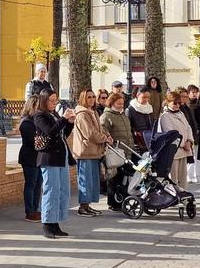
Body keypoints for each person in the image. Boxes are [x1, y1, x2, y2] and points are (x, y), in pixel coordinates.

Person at [34, 92, 75, 238]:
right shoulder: (39, 116)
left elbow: (62, 134)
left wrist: (69, 123)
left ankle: (55, 221)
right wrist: (63, 119)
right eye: (51, 100)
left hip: (61, 156)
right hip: (49, 157)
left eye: (55, 100)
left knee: (62, 190)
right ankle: (47, 223)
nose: (54, 103)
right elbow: (50, 132)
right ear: (44, 101)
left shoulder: (54, 114)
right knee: (51, 190)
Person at [70, 89, 112, 217]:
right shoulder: (82, 114)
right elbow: (90, 133)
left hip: (94, 152)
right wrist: (104, 139)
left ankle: (87, 205)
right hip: (85, 152)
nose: (92, 99)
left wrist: (107, 135)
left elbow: (99, 129)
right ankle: (82, 207)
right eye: (89, 97)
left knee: (92, 180)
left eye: (93, 96)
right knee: (85, 180)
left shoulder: (93, 112)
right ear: (83, 98)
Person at [100, 92, 133, 210]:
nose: (121, 106)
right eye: (118, 103)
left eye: (122, 103)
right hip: (115, 151)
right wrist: (111, 142)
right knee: (114, 178)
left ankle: (123, 200)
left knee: (124, 178)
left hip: (126, 151)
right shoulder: (107, 116)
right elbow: (103, 131)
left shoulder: (123, 115)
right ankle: (113, 203)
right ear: (112, 103)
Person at [157, 90, 195, 190]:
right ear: (168, 102)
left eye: (179, 103)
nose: (177, 105)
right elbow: (170, 133)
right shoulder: (165, 116)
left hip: (184, 150)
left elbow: (188, 127)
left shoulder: (181, 113)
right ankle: (174, 195)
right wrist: (183, 144)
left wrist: (189, 141)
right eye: (175, 103)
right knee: (173, 178)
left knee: (183, 178)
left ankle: (183, 195)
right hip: (174, 151)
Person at [17, 96, 44, 222]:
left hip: (39, 157)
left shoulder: (38, 120)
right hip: (29, 157)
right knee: (31, 184)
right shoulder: (26, 122)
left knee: (38, 184)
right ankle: (29, 211)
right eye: (38, 106)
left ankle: (35, 208)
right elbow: (35, 141)